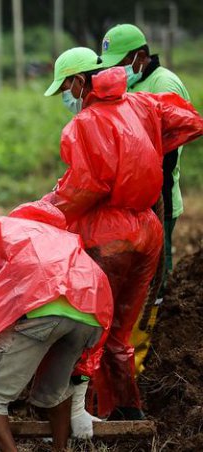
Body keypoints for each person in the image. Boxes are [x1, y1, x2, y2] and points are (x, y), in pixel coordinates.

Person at [42, 47, 203, 421]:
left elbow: (87, 187)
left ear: (80, 82)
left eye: (66, 86)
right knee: (120, 332)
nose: (67, 96)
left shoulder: (84, 124)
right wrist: (144, 150)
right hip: (147, 233)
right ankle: (127, 412)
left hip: (109, 238)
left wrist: (47, 210)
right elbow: (192, 121)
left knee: (91, 327)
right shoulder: (142, 104)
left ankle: (89, 414)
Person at [0, 201, 113, 452]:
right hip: (92, 313)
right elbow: (86, 361)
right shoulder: (66, 238)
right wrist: (78, 404)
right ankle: (61, 449)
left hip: (43, 305)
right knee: (57, 389)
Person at [100, 23, 192, 375]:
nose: (114, 68)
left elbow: (168, 153)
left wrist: (151, 202)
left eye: (120, 60)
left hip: (160, 198)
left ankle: (152, 349)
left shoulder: (163, 84)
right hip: (132, 204)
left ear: (139, 56)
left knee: (156, 276)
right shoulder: (132, 82)